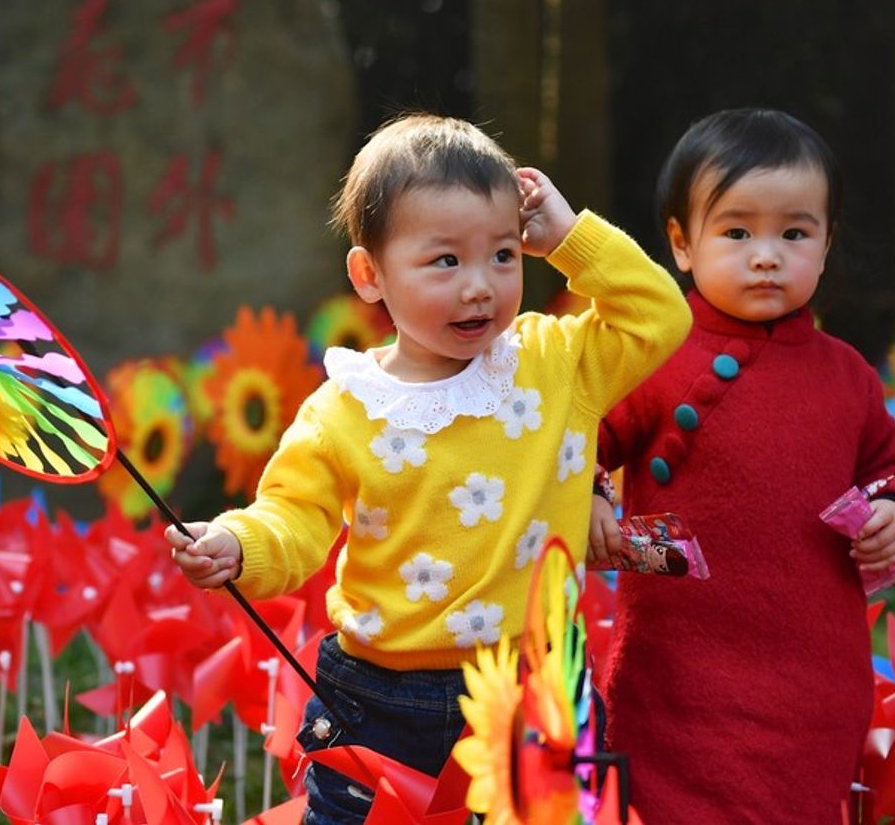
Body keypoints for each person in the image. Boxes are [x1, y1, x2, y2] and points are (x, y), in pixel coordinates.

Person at [166, 113, 691, 825]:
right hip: (382, 700)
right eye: (446, 261)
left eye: (503, 255)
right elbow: (294, 515)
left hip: (534, 687)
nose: (480, 285)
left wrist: (571, 239)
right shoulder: (345, 408)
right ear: (369, 275)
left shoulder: (554, 365)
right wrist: (240, 545)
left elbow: (660, 316)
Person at [588, 108, 895, 825]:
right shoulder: (652, 357)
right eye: (737, 231)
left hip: (813, 679)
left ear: (827, 242)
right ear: (683, 245)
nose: (767, 254)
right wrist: (590, 495)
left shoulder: (848, 377)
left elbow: (892, 470)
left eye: (795, 233)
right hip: (675, 673)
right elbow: (579, 441)